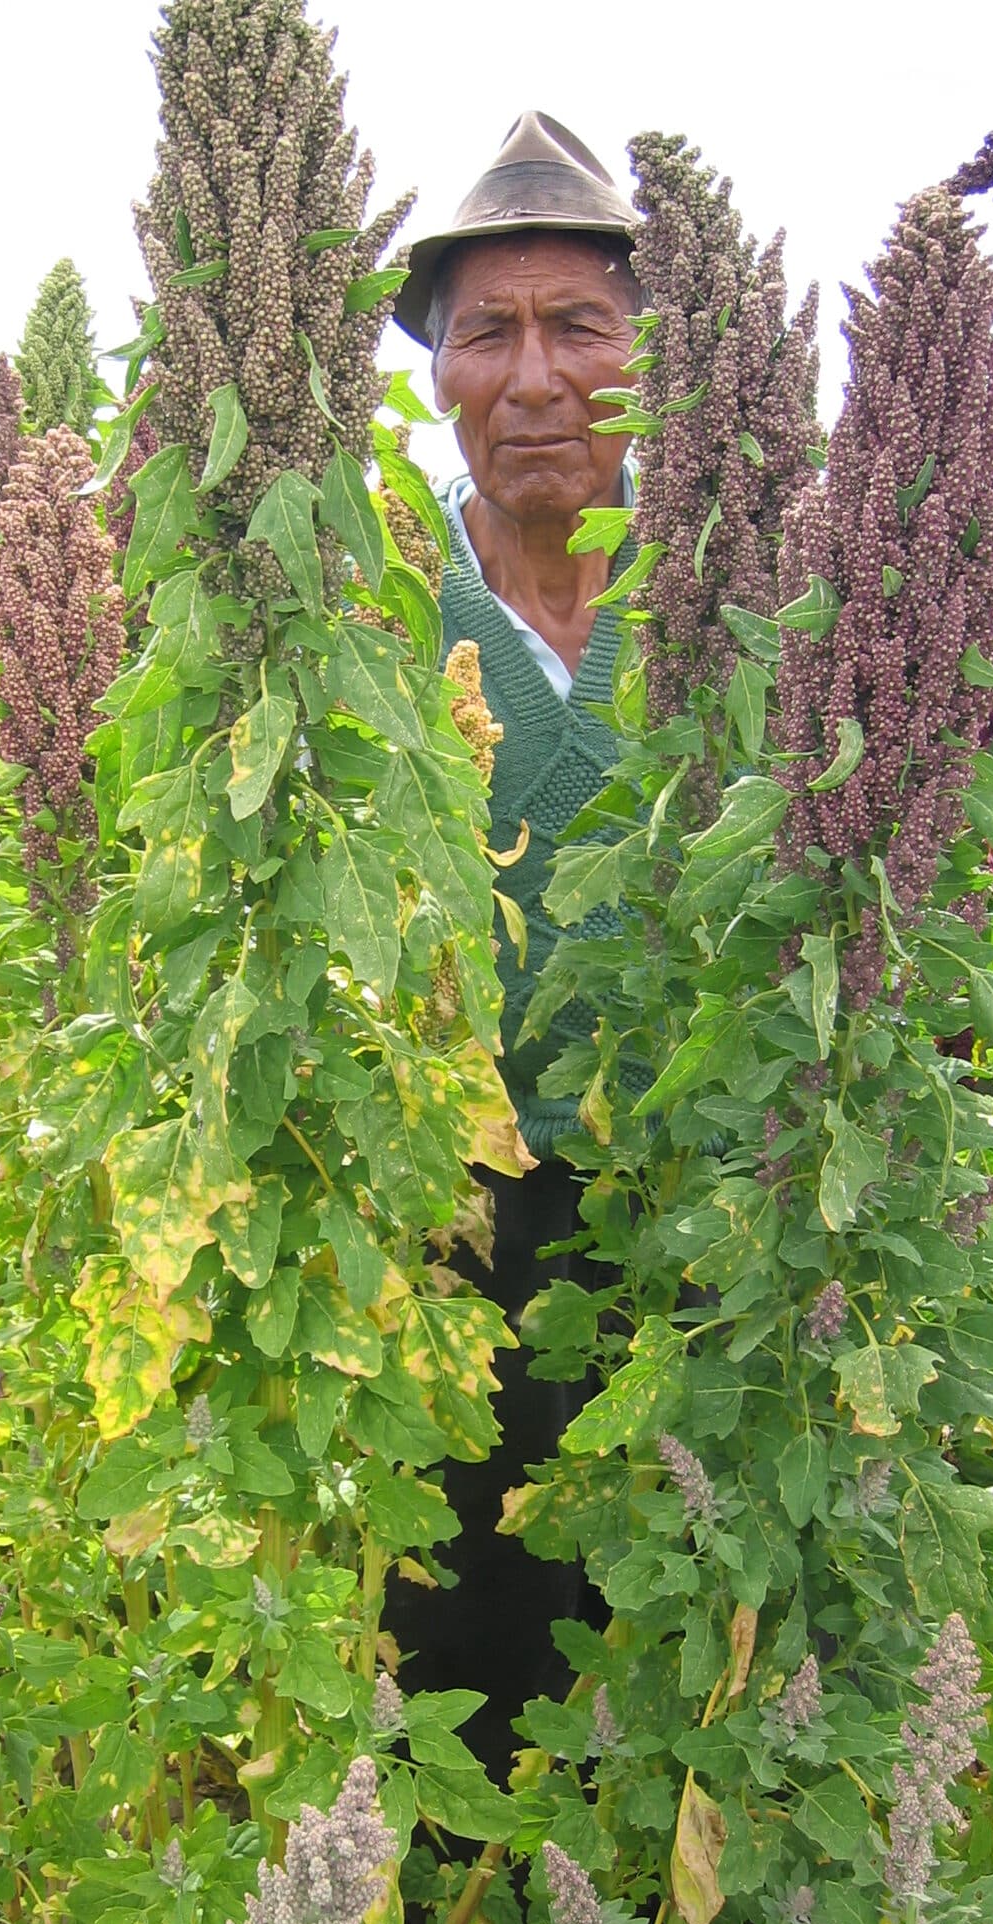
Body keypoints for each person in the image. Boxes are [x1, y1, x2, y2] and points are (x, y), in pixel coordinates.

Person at [384, 113, 647, 1782]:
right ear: (433, 372)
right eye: (488, 332)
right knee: (456, 1634)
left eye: (581, 326)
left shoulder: (752, 589)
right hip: (446, 1213)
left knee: (678, 1609)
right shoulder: (382, 599)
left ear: (654, 358)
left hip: (698, 1210)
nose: (535, 376)